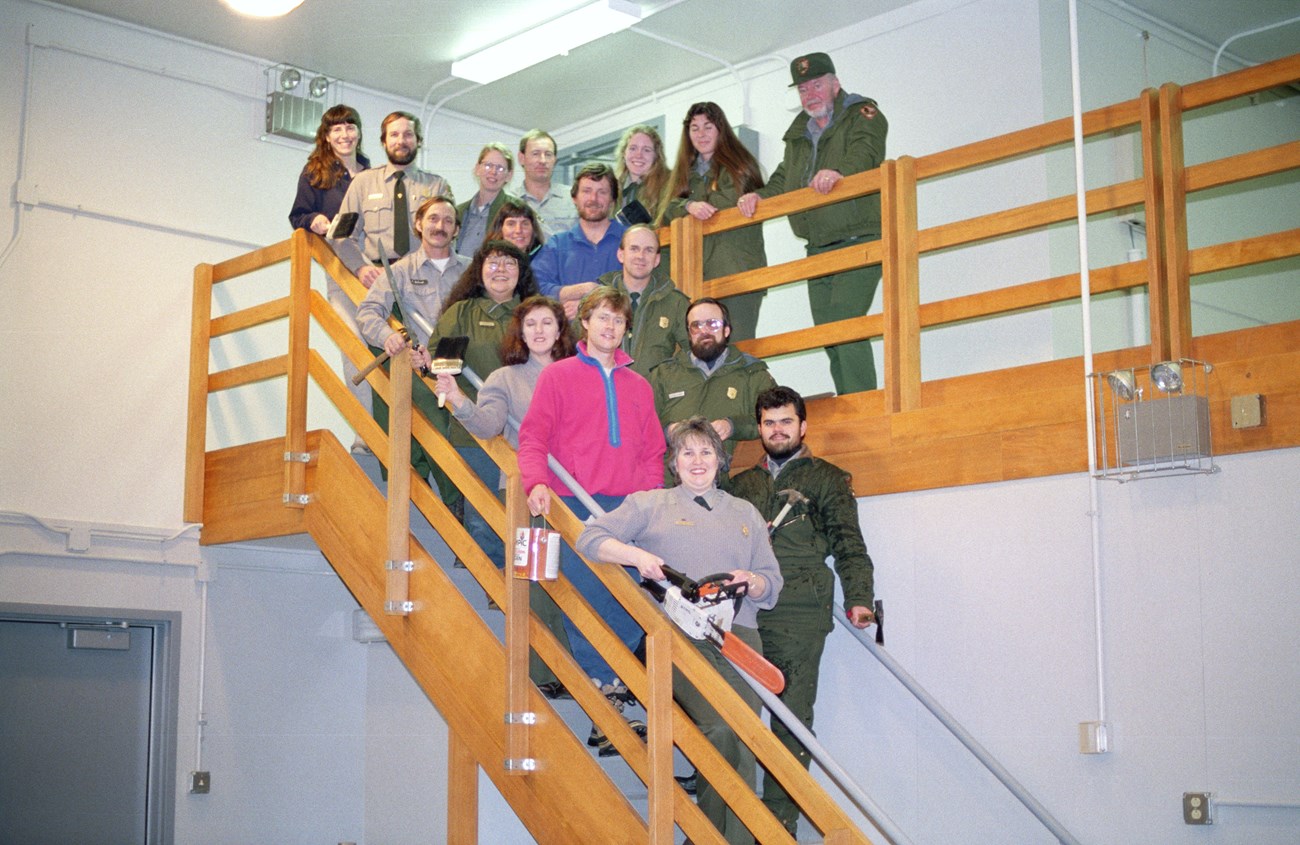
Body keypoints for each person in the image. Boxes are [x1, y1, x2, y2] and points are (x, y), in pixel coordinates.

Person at [577, 417, 782, 845]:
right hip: (677, 637)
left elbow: (771, 582)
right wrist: (635, 556)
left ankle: (721, 838)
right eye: (687, 452)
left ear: (720, 460)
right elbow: (590, 538)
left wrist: (753, 581)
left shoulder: (745, 512)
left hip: (739, 640)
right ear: (674, 462)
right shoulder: (649, 504)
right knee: (719, 729)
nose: (697, 460)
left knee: (745, 737)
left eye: (706, 451)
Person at [725, 385, 875, 837]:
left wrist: (859, 599)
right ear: (759, 429)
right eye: (769, 423)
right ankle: (730, 816)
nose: (777, 430)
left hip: (799, 613)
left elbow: (849, 544)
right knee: (729, 712)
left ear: (803, 426)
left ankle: (778, 823)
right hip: (743, 613)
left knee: (791, 718)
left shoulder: (828, 479)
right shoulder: (740, 486)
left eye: (786, 422)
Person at [517, 286, 665, 717]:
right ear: (584, 322)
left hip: (628, 509)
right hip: (575, 504)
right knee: (586, 600)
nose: (610, 326)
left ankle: (611, 687)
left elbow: (653, 452)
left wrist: (648, 499)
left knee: (632, 600)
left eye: (618, 320)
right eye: (602, 317)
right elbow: (533, 438)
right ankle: (604, 694)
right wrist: (535, 483)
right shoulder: (557, 376)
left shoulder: (640, 385)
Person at [435, 295, 577, 697]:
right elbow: (487, 425)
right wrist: (458, 398)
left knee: (575, 586)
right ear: (520, 332)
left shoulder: (579, 374)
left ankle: (581, 670)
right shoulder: (505, 377)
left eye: (547, 322)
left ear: (560, 330)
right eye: (531, 324)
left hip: (574, 494)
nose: (539, 330)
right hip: (524, 495)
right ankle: (547, 672)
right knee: (536, 583)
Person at [738, 52, 888, 395]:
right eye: (803, 89)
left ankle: (864, 401)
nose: (810, 94)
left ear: (835, 84)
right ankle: (851, 400)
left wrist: (839, 173)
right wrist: (759, 196)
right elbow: (785, 178)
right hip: (817, 245)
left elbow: (866, 153)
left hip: (859, 237)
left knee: (845, 319)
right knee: (826, 330)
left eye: (817, 85)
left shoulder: (862, 114)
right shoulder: (798, 134)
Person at [355, 196, 469, 502]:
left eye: (448, 220)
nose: (440, 226)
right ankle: (454, 509)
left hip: (466, 369)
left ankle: (466, 511)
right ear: (418, 224)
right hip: (424, 372)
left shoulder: (472, 270)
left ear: (457, 229)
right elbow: (367, 312)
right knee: (443, 438)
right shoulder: (400, 271)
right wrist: (387, 336)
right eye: (433, 219)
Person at [429, 240, 538, 553]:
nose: (501, 269)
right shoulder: (461, 312)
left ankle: (522, 580)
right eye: (493, 262)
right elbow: (439, 359)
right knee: (483, 516)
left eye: (509, 263)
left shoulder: (534, 313)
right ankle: (492, 577)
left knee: (528, 517)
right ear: (479, 270)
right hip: (474, 431)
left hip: (526, 434)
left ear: (521, 271)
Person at [288, 104, 372, 452]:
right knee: (354, 349)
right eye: (336, 129)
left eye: (350, 127)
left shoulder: (371, 174)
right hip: (341, 269)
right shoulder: (316, 172)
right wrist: (316, 221)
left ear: (359, 132)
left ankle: (388, 429)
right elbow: (298, 215)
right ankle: (366, 431)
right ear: (326, 136)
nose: (344, 134)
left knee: (383, 350)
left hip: (374, 269)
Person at [660, 102, 767, 342]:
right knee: (703, 350)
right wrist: (688, 206)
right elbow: (665, 209)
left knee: (738, 346)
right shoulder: (683, 173)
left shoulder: (740, 164)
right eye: (695, 128)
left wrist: (693, 205)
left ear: (720, 129)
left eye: (708, 127)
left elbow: (728, 203)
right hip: (695, 276)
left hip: (736, 271)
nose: (701, 134)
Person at [331, 111, 453, 289]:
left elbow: (447, 237)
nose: (401, 141)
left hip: (421, 279)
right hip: (375, 279)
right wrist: (361, 268)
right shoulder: (363, 183)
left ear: (418, 141)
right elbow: (341, 235)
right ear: (384, 141)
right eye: (394, 134)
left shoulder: (437, 186)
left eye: (408, 134)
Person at [649, 298, 775, 464]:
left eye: (712, 324)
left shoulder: (752, 373)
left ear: (726, 330)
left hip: (729, 476)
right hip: (671, 476)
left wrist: (732, 426)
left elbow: (774, 419)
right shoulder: (663, 374)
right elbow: (640, 425)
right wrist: (668, 431)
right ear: (689, 334)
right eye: (696, 325)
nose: (704, 331)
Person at [530, 163, 625, 318]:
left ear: (612, 200)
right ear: (574, 198)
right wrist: (581, 290)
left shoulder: (630, 241)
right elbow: (534, 286)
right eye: (587, 191)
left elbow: (641, 290)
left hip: (620, 332)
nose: (593, 199)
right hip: (568, 333)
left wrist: (586, 305)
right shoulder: (557, 245)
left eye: (602, 192)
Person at [594, 224, 689, 379]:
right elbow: (576, 349)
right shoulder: (597, 299)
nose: (641, 256)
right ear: (621, 254)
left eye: (649, 250)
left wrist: (669, 379)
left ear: (657, 259)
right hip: (603, 389)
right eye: (634, 248)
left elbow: (694, 351)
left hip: (654, 392)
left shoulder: (675, 303)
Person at [456, 142, 520, 256]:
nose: (493, 172)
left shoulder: (516, 210)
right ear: (477, 169)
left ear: (509, 175)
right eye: (488, 165)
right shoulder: (458, 211)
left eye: (500, 168)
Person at [517, 129, 576, 238]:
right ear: (521, 158)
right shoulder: (508, 201)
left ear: (555, 160)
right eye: (536, 154)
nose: (543, 161)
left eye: (548, 154)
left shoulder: (574, 197)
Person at [613, 124, 670, 225]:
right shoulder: (610, 189)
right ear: (623, 153)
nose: (639, 155)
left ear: (656, 156)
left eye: (646, 150)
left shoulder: (669, 185)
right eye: (633, 148)